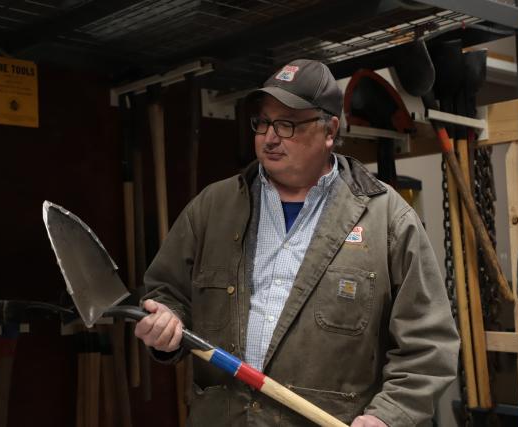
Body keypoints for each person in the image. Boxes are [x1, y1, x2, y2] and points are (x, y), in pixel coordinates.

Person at [135, 59, 459, 427]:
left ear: (330, 130)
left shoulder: (388, 219)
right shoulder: (213, 207)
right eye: (263, 122)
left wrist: (387, 417)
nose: (270, 137)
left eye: (287, 124)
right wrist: (165, 322)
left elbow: (429, 344)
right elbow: (165, 293)